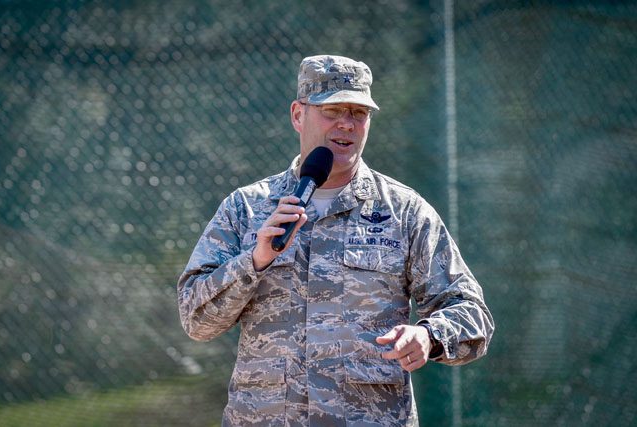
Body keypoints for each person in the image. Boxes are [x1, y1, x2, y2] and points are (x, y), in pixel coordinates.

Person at [177, 54, 494, 426]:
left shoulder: (404, 212)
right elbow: (195, 319)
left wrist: (428, 335)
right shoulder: (246, 208)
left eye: (359, 113)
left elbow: (472, 314)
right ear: (298, 115)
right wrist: (255, 260)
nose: (346, 124)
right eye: (332, 110)